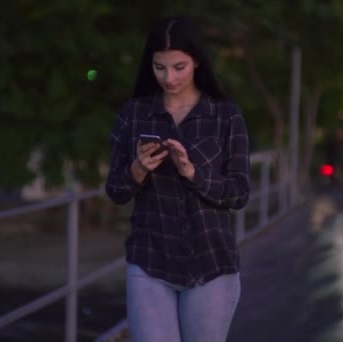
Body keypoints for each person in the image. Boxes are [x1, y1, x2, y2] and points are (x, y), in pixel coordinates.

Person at [105, 15, 251, 342]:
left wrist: (193, 173)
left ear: (196, 61)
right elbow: (115, 190)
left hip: (211, 264)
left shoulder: (226, 116)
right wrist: (138, 168)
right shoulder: (134, 114)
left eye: (179, 67)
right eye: (160, 67)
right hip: (149, 261)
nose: (169, 77)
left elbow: (240, 193)